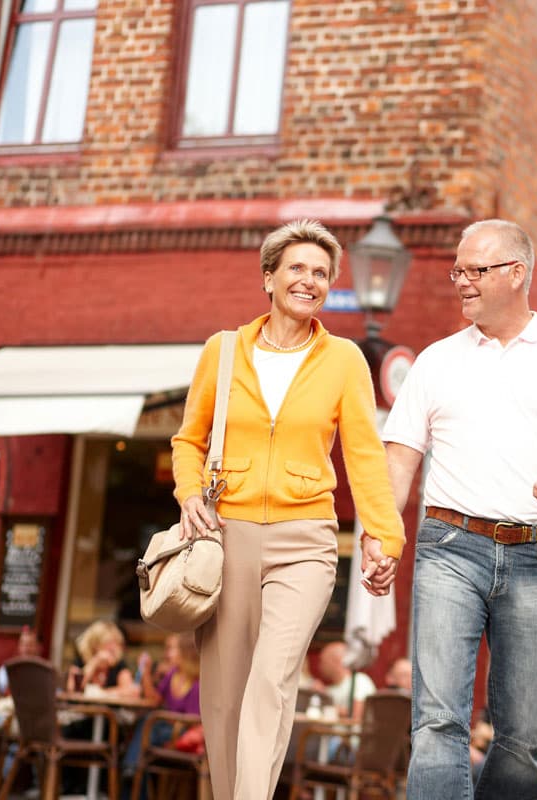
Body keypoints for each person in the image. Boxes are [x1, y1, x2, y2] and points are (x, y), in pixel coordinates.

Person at [383, 219, 537, 800]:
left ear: (516, 274)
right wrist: (383, 536)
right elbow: (400, 456)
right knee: (438, 722)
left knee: (522, 736)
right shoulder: (437, 361)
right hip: (449, 548)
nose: (462, 282)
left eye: (475, 270)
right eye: (457, 271)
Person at [171, 218, 404, 800]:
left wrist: (383, 535)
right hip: (226, 536)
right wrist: (189, 493)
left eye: (321, 273)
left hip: (306, 540)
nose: (309, 280)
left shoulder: (345, 359)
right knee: (224, 694)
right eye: (296, 268)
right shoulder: (224, 351)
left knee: (271, 679)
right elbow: (188, 440)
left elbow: (364, 454)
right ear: (268, 278)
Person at [124, 633, 202, 796]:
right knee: (145, 733)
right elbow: (154, 700)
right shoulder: (172, 674)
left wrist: (170, 720)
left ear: (185, 652)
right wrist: (146, 673)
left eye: (171, 649)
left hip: (181, 732)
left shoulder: (197, 682)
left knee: (147, 724)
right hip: (164, 728)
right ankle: (133, 769)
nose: (166, 654)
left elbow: (194, 721)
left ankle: (130, 767)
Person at [65, 619, 137, 696]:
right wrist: (94, 663)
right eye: (108, 642)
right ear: (94, 645)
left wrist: (101, 693)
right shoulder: (80, 662)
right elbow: (73, 689)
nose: (113, 648)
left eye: (116, 643)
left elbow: (132, 691)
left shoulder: (119, 665)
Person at [317, 641, 376, 719]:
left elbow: (357, 714)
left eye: (323, 662)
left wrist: (329, 709)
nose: (320, 666)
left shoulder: (359, 681)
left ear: (335, 662)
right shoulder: (329, 690)